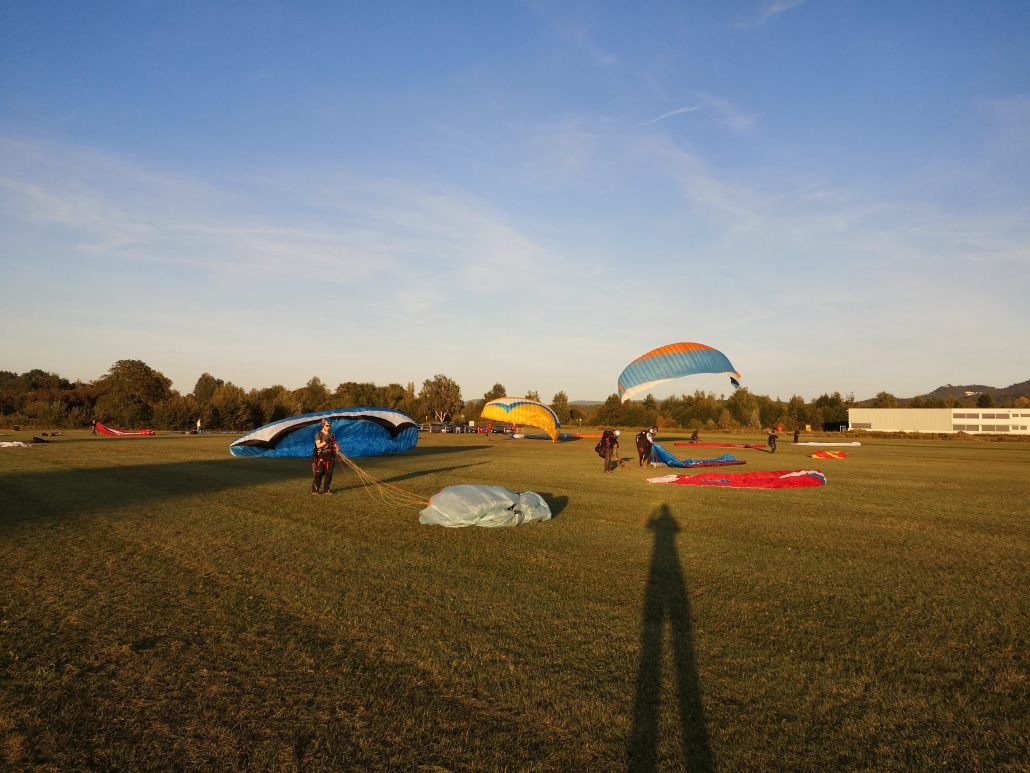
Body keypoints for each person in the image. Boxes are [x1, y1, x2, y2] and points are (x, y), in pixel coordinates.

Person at [312, 418, 338, 494]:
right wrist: (326, 442)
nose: (328, 427)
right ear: (323, 425)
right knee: (319, 472)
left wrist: (336, 448)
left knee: (329, 473)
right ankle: (315, 490)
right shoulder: (319, 435)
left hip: (330, 456)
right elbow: (318, 445)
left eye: (329, 426)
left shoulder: (332, 435)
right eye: (327, 425)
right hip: (321, 456)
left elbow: (335, 444)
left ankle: (326, 490)